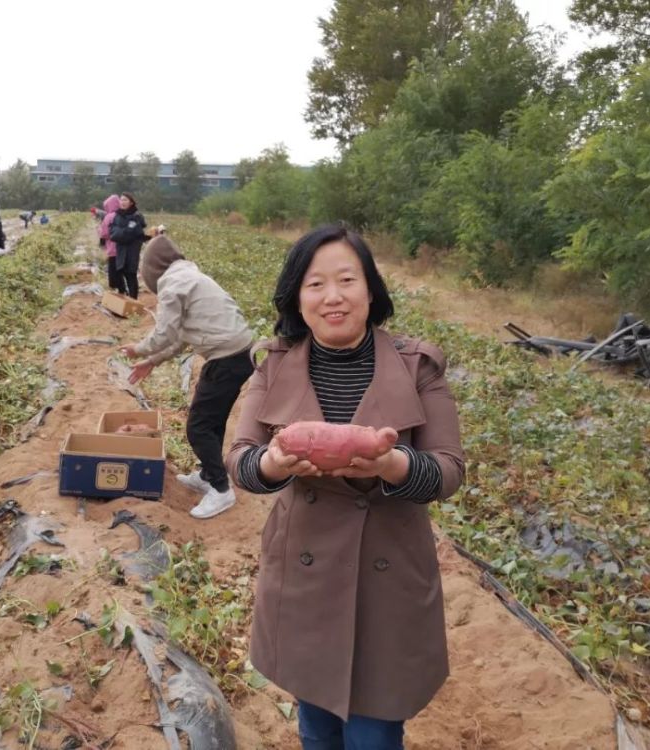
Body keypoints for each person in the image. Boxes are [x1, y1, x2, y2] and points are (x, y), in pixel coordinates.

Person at [225, 224, 465, 750]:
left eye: (346, 280)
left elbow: (448, 470)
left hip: (388, 575)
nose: (332, 297)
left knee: (373, 736)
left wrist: (392, 466)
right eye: (315, 284)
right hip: (306, 581)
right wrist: (274, 462)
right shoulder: (275, 365)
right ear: (297, 297)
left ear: (370, 289)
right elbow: (240, 463)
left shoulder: (417, 366)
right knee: (316, 727)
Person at [121, 235, 254, 519]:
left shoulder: (172, 285)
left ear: (152, 272)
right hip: (240, 353)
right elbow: (180, 338)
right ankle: (208, 474)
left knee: (197, 427)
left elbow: (165, 334)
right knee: (212, 422)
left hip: (226, 358)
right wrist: (152, 361)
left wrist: (138, 349)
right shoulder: (188, 277)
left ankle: (220, 489)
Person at [108, 192, 150, 299]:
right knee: (119, 272)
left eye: (125, 200)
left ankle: (133, 301)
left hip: (132, 250)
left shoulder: (136, 216)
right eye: (121, 200)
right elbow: (113, 233)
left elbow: (135, 233)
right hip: (121, 250)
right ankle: (124, 298)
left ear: (131, 202)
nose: (123, 202)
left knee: (131, 275)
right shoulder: (117, 215)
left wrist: (122, 233)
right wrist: (125, 232)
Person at [98, 195, 123, 292]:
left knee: (113, 269)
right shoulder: (124, 214)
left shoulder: (109, 217)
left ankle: (115, 289)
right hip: (124, 248)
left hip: (113, 248)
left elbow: (104, 233)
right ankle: (123, 289)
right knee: (122, 269)